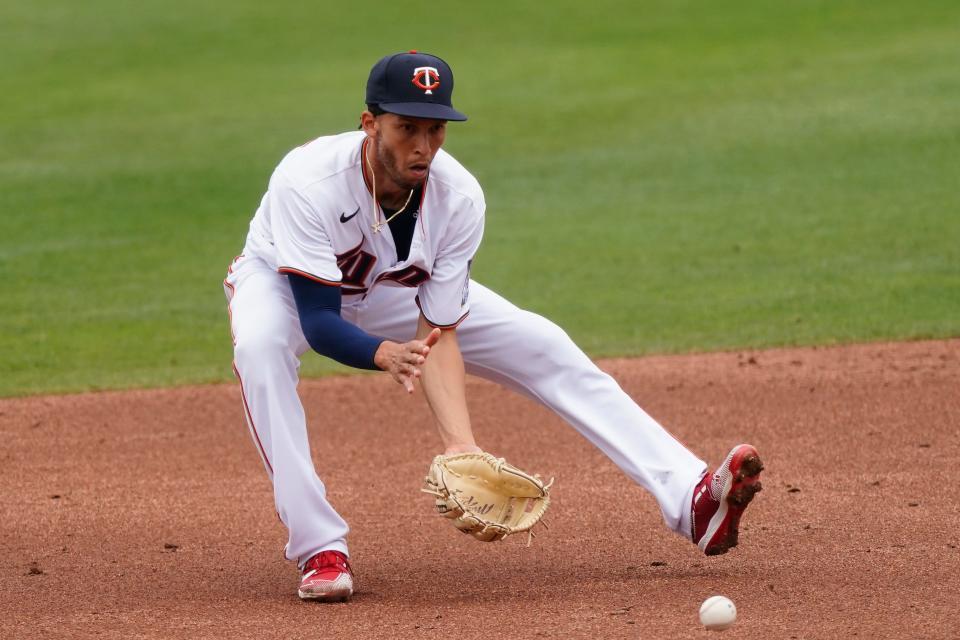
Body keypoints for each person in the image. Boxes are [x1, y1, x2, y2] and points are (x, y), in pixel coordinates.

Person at [223, 51, 763, 603]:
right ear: (370, 123)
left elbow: (440, 331)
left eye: (435, 130)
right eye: (406, 128)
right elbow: (318, 320)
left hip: (390, 290)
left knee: (543, 344)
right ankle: (320, 547)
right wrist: (383, 353)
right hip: (284, 286)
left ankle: (692, 501)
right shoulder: (308, 182)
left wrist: (460, 445)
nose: (422, 146)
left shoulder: (458, 199)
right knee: (262, 349)